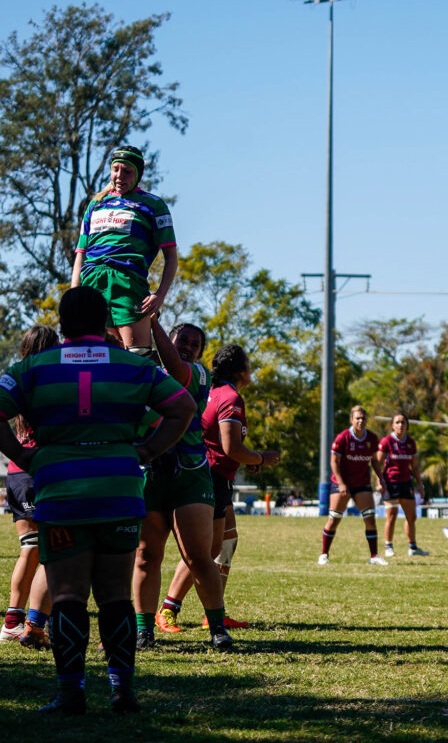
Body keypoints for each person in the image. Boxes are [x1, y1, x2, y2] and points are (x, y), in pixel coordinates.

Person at [0, 286, 195, 714]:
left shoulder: (33, 367)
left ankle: (71, 693)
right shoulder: (132, 366)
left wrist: (22, 455)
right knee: (114, 597)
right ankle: (122, 691)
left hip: (62, 496)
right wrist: (146, 451)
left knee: (68, 597)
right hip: (119, 495)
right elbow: (182, 406)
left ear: (64, 323)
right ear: (104, 318)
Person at [158, 344, 280, 633]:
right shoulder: (230, 396)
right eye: (249, 364)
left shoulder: (212, 391)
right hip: (212, 478)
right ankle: (168, 608)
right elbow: (230, 446)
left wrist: (247, 459)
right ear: (240, 370)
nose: (252, 369)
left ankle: (214, 611)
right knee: (204, 550)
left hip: (215, 474)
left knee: (226, 543)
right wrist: (261, 458)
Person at [131, 317, 231, 650]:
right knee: (146, 556)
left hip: (190, 472)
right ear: (166, 341)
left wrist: (152, 321)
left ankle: (217, 627)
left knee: (198, 556)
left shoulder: (199, 375)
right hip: (149, 474)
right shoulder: (143, 371)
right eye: (182, 340)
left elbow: (174, 368)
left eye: (194, 344)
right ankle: (144, 631)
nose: (187, 347)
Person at [69, 146, 178, 357]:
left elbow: (171, 257)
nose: (119, 176)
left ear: (138, 174)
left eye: (127, 171)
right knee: (96, 356)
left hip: (128, 284)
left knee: (137, 357)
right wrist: (74, 293)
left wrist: (160, 295)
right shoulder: (95, 204)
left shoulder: (154, 205)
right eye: (115, 169)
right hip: (92, 286)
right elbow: (81, 252)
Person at [2, 326, 58, 645]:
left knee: (30, 549)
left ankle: (15, 622)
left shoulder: (18, 376)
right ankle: (30, 624)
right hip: (36, 469)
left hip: (16, 470)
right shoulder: (44, 379)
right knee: (44, 550)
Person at [318, 405, 388, 566]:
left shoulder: (371, 438)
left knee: (370, 519)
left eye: (363, 418)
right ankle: (324, 554)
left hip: (362, 483)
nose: (361, 421)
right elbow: (333, 462)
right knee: (334, 519)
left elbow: (375, 461)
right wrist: (341, 483)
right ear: (352, 420)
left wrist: (381, 479)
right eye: (357, 418)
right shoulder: (343, 438)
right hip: (341, 484)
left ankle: (374, 556)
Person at [377, 415, 428, 557]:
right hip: (390, 483)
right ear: (392, 425)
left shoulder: (411, 443)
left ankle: (412, 547)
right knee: (391, 516)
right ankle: (388, 547)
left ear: (407, 425)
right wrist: (379, 481)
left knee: (411, 516)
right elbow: (378, 464)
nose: (400, 425)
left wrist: (420, 485)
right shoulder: (386, 441)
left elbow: (415, 466)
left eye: (403, 422)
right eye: (397, 422)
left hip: (406, 483)